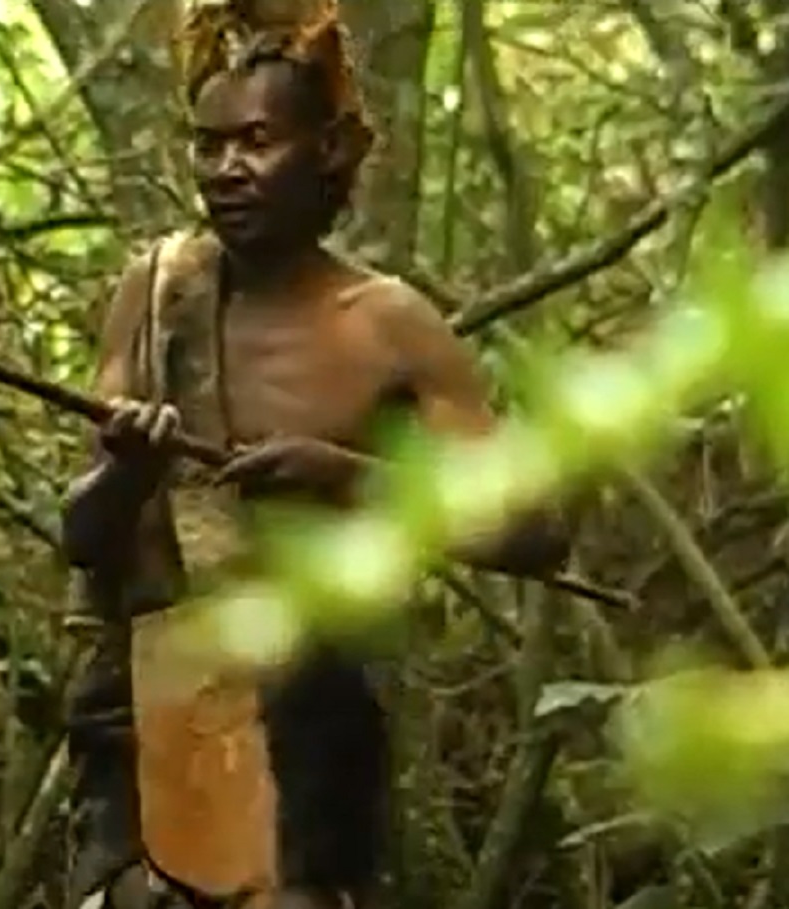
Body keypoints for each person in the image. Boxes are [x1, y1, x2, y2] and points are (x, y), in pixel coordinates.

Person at [59, 2, 570, 908]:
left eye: (256, 141)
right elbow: (84, 533)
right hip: (146, 734)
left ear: (329, 150)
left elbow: (533, 531)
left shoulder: (389, 326)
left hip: (307, 751)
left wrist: (349, 476)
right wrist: (129, 472)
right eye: (207, 145)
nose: (227, 172)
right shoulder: (156, 292)